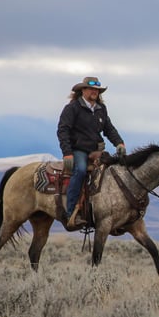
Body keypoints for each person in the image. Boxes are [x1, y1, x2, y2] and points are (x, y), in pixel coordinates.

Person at [57, 76, 126, 228]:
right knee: (80, 171)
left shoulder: (101, 109)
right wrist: (67, 153)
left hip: (96, 150)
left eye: (97, 90)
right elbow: (63, 131)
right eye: (92, 89)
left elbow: (109, 129)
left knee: (112, 172)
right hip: (78, 150)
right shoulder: (72, 108)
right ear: (83, 90)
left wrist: (119, 143)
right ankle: (71, 212)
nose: (95, 92)